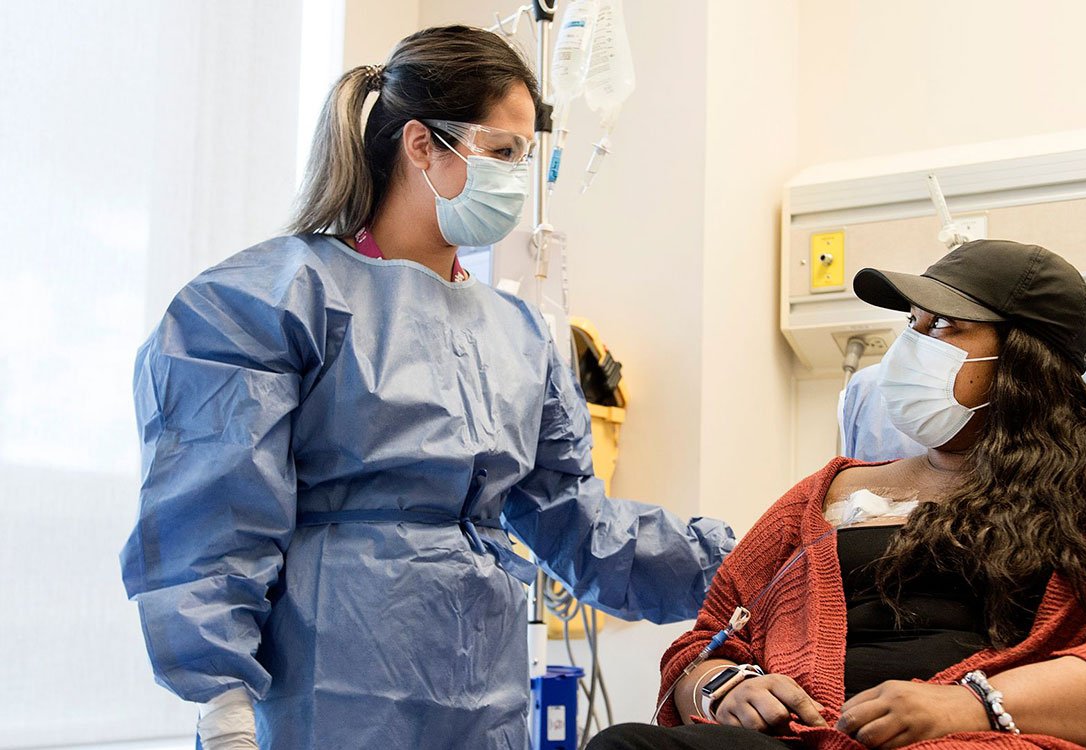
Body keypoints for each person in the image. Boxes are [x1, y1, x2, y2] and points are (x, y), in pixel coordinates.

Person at [119, 26, 734, 750]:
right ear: (421, 145)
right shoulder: (276, 300)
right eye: (502, 153)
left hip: (484, 695)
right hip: (327, 691)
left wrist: (758, 561)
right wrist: (223, 709)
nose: (517, 176)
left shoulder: (520, 335)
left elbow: (581, 527)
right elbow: (212, 520)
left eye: (525, 156)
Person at [592, 240, 1086, 750]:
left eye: (944, 328)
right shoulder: (826, 494)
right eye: (913, 324)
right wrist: (723, 687)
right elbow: (709, 640)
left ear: (1026, 357)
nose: (912, 346)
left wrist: (971, 705)